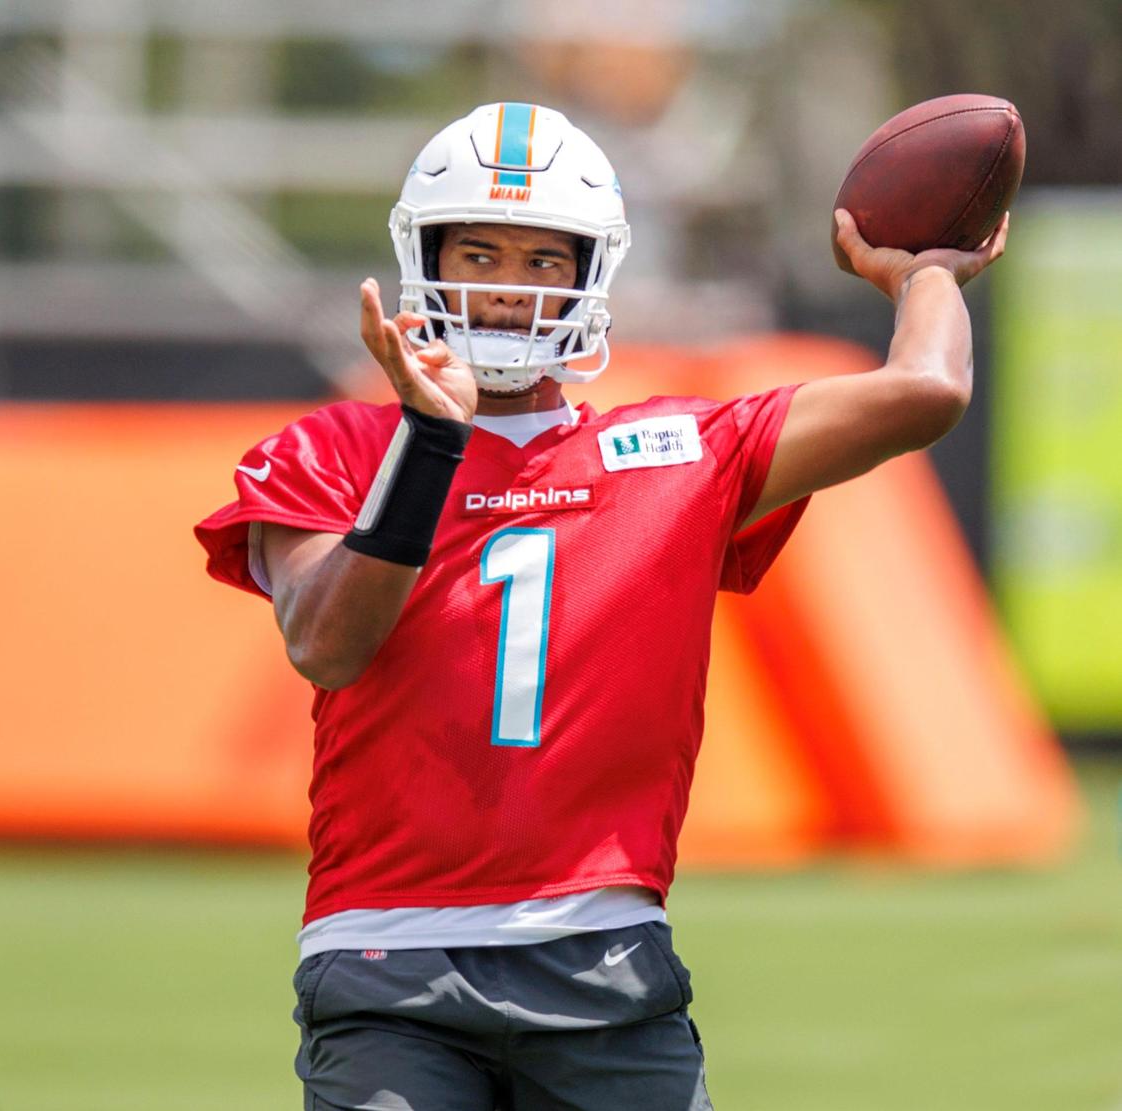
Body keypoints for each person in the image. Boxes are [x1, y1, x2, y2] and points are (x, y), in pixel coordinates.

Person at [195, 102, 1007, 1110]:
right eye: (480, 252)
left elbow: (926, 388)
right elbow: (325, 642)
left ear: (589, 275)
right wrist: (431, 444)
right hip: (385, 963)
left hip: (606, 964)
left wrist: (925, 270)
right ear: (424, 255)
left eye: (544, 260)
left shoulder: (683, 451)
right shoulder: (341, 448)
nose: (507, 290)